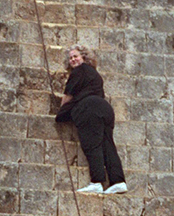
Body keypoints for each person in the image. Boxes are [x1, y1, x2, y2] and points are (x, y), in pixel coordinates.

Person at [54, 45, 127, 195]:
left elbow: (68, 96)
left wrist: (61, 111)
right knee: (107, 146)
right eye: (71, 58)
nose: (73, 59)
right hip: (105, 109)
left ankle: (97, 182)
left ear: (84, 58)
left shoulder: (79, 71)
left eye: (76, 56)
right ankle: (118, 181)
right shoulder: (95, 74)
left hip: (89, 109)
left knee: (92, 144)